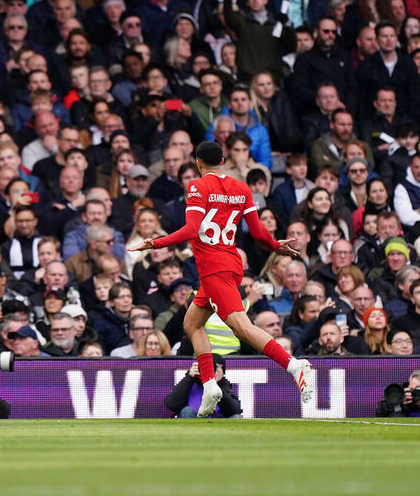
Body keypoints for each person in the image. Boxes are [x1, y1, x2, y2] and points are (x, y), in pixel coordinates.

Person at [132, 141, 312, 418]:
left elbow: (192, 229)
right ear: (224, 160)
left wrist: (155, 243)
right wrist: (276, 245)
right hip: (229, 263)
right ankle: (209, 385)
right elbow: (257, 231)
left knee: (242, 327)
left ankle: (293, 365)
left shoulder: (197, 186)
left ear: (198, 162)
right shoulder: (241, 188)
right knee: (192, 323)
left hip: (214, 267)